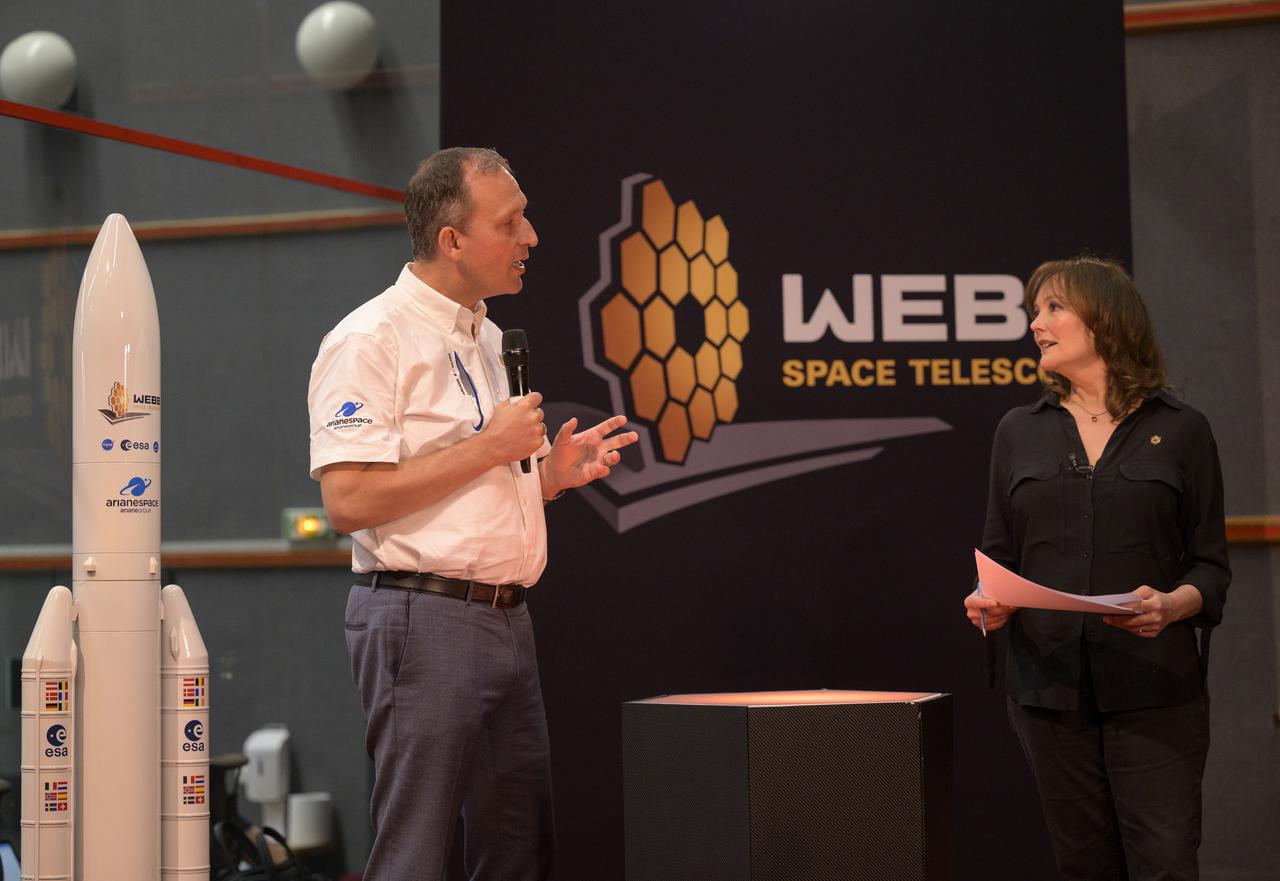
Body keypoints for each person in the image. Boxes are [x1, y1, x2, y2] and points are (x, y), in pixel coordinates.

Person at [307, 146, 638, 881]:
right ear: (453, 240)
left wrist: (547, 477)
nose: (532, 238)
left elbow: (471, 486)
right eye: (511, 222)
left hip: (506, 617)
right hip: (421, 618)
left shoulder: (488, 336)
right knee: (415, 854)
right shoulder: (369, 339)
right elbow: (348, 501)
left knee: (519, 850)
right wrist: (490, 447)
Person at [964, 256, 1230, 881]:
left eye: (1053, 308)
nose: (1036, 323)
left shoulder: (1182, 430)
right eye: (1035, 311)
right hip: (1049, 692)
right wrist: (987, 599)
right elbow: (997, 557)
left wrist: (1172, 605)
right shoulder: (1018, 431)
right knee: (1085, 868)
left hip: (1155, 690)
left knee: (1165, 865)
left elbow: (1211, 568)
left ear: (1105, 318)